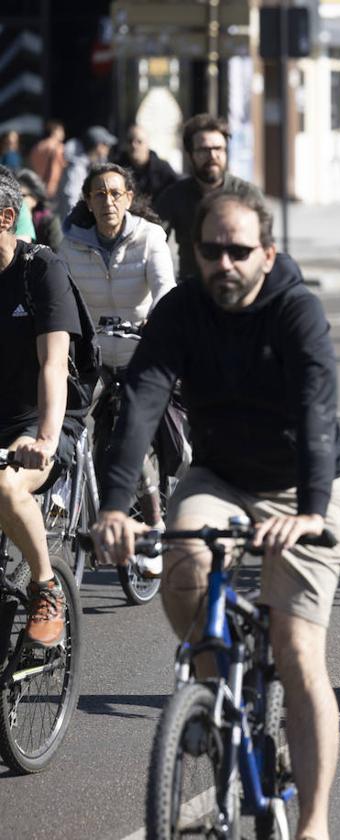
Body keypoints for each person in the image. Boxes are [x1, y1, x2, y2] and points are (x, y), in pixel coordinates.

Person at [92, 190, 340, 840]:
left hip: (302, 489)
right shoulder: (181, 311)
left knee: (296, 649)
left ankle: (315, 824)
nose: (225, 263)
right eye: (212, 251)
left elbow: (319, 415)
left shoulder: (296, 311)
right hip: (222, 478)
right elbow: (143, 401)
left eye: (240, 251)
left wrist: (312, 513)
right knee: (182, 568)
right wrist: (116, 508)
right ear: (196, 253)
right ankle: (213, 700)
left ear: (267, 253)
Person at [59, 163, 176, 539]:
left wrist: (155, 324)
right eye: (99, 194)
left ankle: (155, 523)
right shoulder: (70, 244)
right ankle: (61, 501)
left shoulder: (150, 237)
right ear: (88, 202)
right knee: (62, 423)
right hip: (91, 359)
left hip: (136, 356)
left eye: (115, 193)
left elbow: (165, 292)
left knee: (132, 436)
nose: (107, 201)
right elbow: (58, 298)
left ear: (128, 198)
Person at [0, 165, 85, 647]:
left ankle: (45, 586)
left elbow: (53, 365)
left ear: (5, 217)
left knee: (7, 488)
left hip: (41, 421)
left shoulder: (41, 270)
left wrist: (46, 440)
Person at [154, 113, 264, 282]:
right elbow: (153, 242)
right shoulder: (174, 196)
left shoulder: (247, 194)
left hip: (238, 287)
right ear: (190, 155)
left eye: (219, 149)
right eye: (204, 150)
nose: (213, 156)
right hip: (192, 291)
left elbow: (264, 246)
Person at [56, 126, 115, 219]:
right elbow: (71, 200)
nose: (109, 148)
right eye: (106, 144)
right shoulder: (76, 169)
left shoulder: (96, 164)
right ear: (99, 146)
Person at [113, 123, 179, 201]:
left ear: (147, 144)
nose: (133, 145)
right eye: (130, 141)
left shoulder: (163, 169)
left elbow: (176, 193)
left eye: (139, 141)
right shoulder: (117, 169)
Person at [16, 169, 63, 251]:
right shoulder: (7, 222)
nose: (16, 199)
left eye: (22, 195)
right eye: (14, 195)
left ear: (35, 198)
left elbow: (58, 256)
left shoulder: (49, 223)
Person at [28, 120, 66, 199]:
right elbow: (55, 169)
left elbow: (31, 165)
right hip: (51, 188)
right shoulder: (58, 147)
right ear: (55, 131)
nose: (63, 133)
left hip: (36, 185)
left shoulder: (38, 147)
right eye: (62, 130)